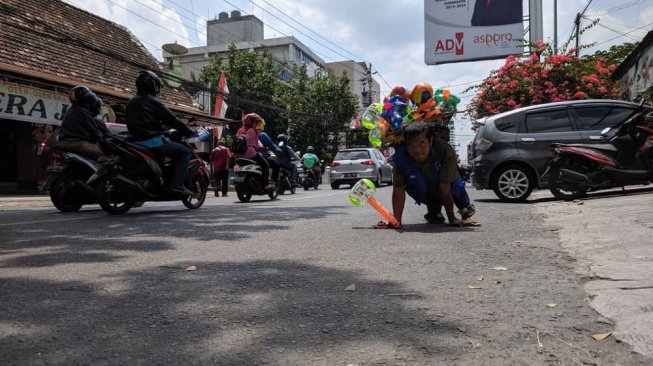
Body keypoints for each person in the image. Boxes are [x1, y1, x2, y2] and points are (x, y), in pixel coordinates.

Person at [391, 121, 475, 227]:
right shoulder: (400, 157)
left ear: (430, 141)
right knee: (420, 183)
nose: (416, 150)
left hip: (447, 183)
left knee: (454, 181)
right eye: (411, 145)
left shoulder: (445, 151)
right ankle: (434, 210)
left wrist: (452, 218)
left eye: (421, 144)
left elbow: (445, 187)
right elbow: (398, 188)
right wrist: (396, 220)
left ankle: (464, 206)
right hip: (423, 189)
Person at [125, 70, 195, 195]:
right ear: (153, 84)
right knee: (185, 152)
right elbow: (172, 119)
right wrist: (188, 131)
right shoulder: (153, 101)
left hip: (135, 142)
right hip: (153, 142)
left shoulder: (131, 102)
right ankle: (177, 184)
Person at [57, 86, 109, 159]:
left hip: (63, 143)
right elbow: (96, 133)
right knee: (106, 158)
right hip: (78, 144)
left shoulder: (72, 109)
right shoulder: (83, 112)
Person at [233, 113, 274, 190]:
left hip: (237, 155)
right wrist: (260, 148)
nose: (256, 124)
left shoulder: (240, 130)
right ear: (250, 122)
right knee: (265, 164)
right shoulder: (252, 131)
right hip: (250, 154)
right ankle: (266, 184)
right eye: (255, 122)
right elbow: (256, 145)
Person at [255, 119, 282, 184]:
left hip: (248, 156)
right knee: (276, 164)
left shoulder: (247, 132)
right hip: (260, 156)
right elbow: (272, 146)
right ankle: (272, 182)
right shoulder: (262, 135)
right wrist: (278, 150)